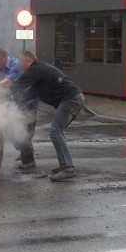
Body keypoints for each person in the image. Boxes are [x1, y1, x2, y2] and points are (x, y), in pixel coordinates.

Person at [12, 51, 84, 182]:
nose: (20, 66)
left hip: (71, 99)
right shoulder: (39, 78)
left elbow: (16, 85)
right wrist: (8, 102)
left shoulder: (37, 69)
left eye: (22, 62)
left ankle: (68, 168)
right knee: (57, 132)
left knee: (55, 131)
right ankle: (64, 165)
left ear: (29, 61)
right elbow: (26, 95)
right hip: (72, 98)